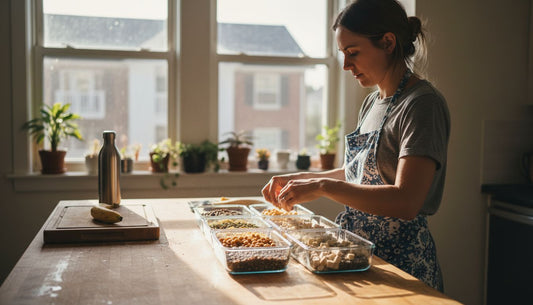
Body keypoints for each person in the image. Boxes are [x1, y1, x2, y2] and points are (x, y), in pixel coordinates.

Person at [261, 0, 450, 292]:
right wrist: (300, 180)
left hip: (402, 264)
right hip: (359, 254)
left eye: (353, 52)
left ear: (388, 42)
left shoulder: (422, 105)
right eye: (343, 54)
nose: (347, 65)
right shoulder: (372, 103)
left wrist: (322, 187)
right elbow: (357, 173)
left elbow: (406, 201)